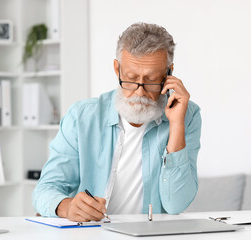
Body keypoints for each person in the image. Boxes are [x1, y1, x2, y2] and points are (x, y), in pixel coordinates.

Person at [32, 22, 202, 222]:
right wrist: (67, 207)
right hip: (93, 234)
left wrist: (176, 125)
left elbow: (176, 204)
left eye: (152, 80)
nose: (140, 92)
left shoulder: (186, 114)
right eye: (130, 78)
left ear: (169, 74)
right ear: (117, 69)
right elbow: (45, 190)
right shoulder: (81, 116)